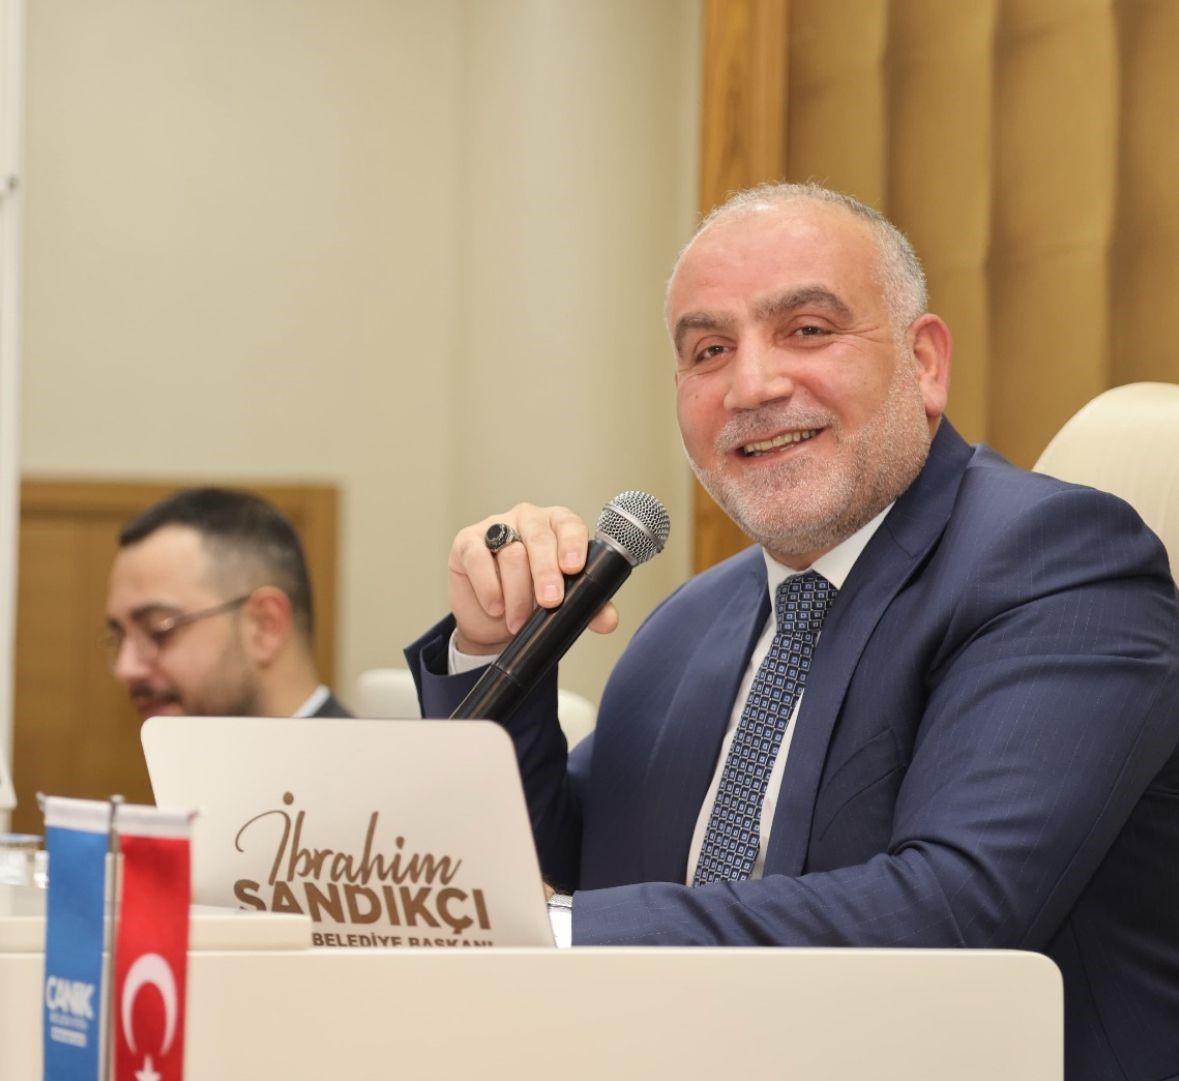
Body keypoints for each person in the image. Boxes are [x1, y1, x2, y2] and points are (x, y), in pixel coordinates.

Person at [406, 183, 1179, 1079]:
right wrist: (494, 647)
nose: (752, 385)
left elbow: (952, 914)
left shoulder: (1055, 559)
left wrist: (546, 928)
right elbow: (560, 867)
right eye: (709, 350)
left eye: (806, 330)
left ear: (923, 362)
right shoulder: (688, 622)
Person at [105, 487, 350, 720]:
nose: (125, 669)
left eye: (158, 631)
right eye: (118, 638)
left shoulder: (360, 753)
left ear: (265, 625)